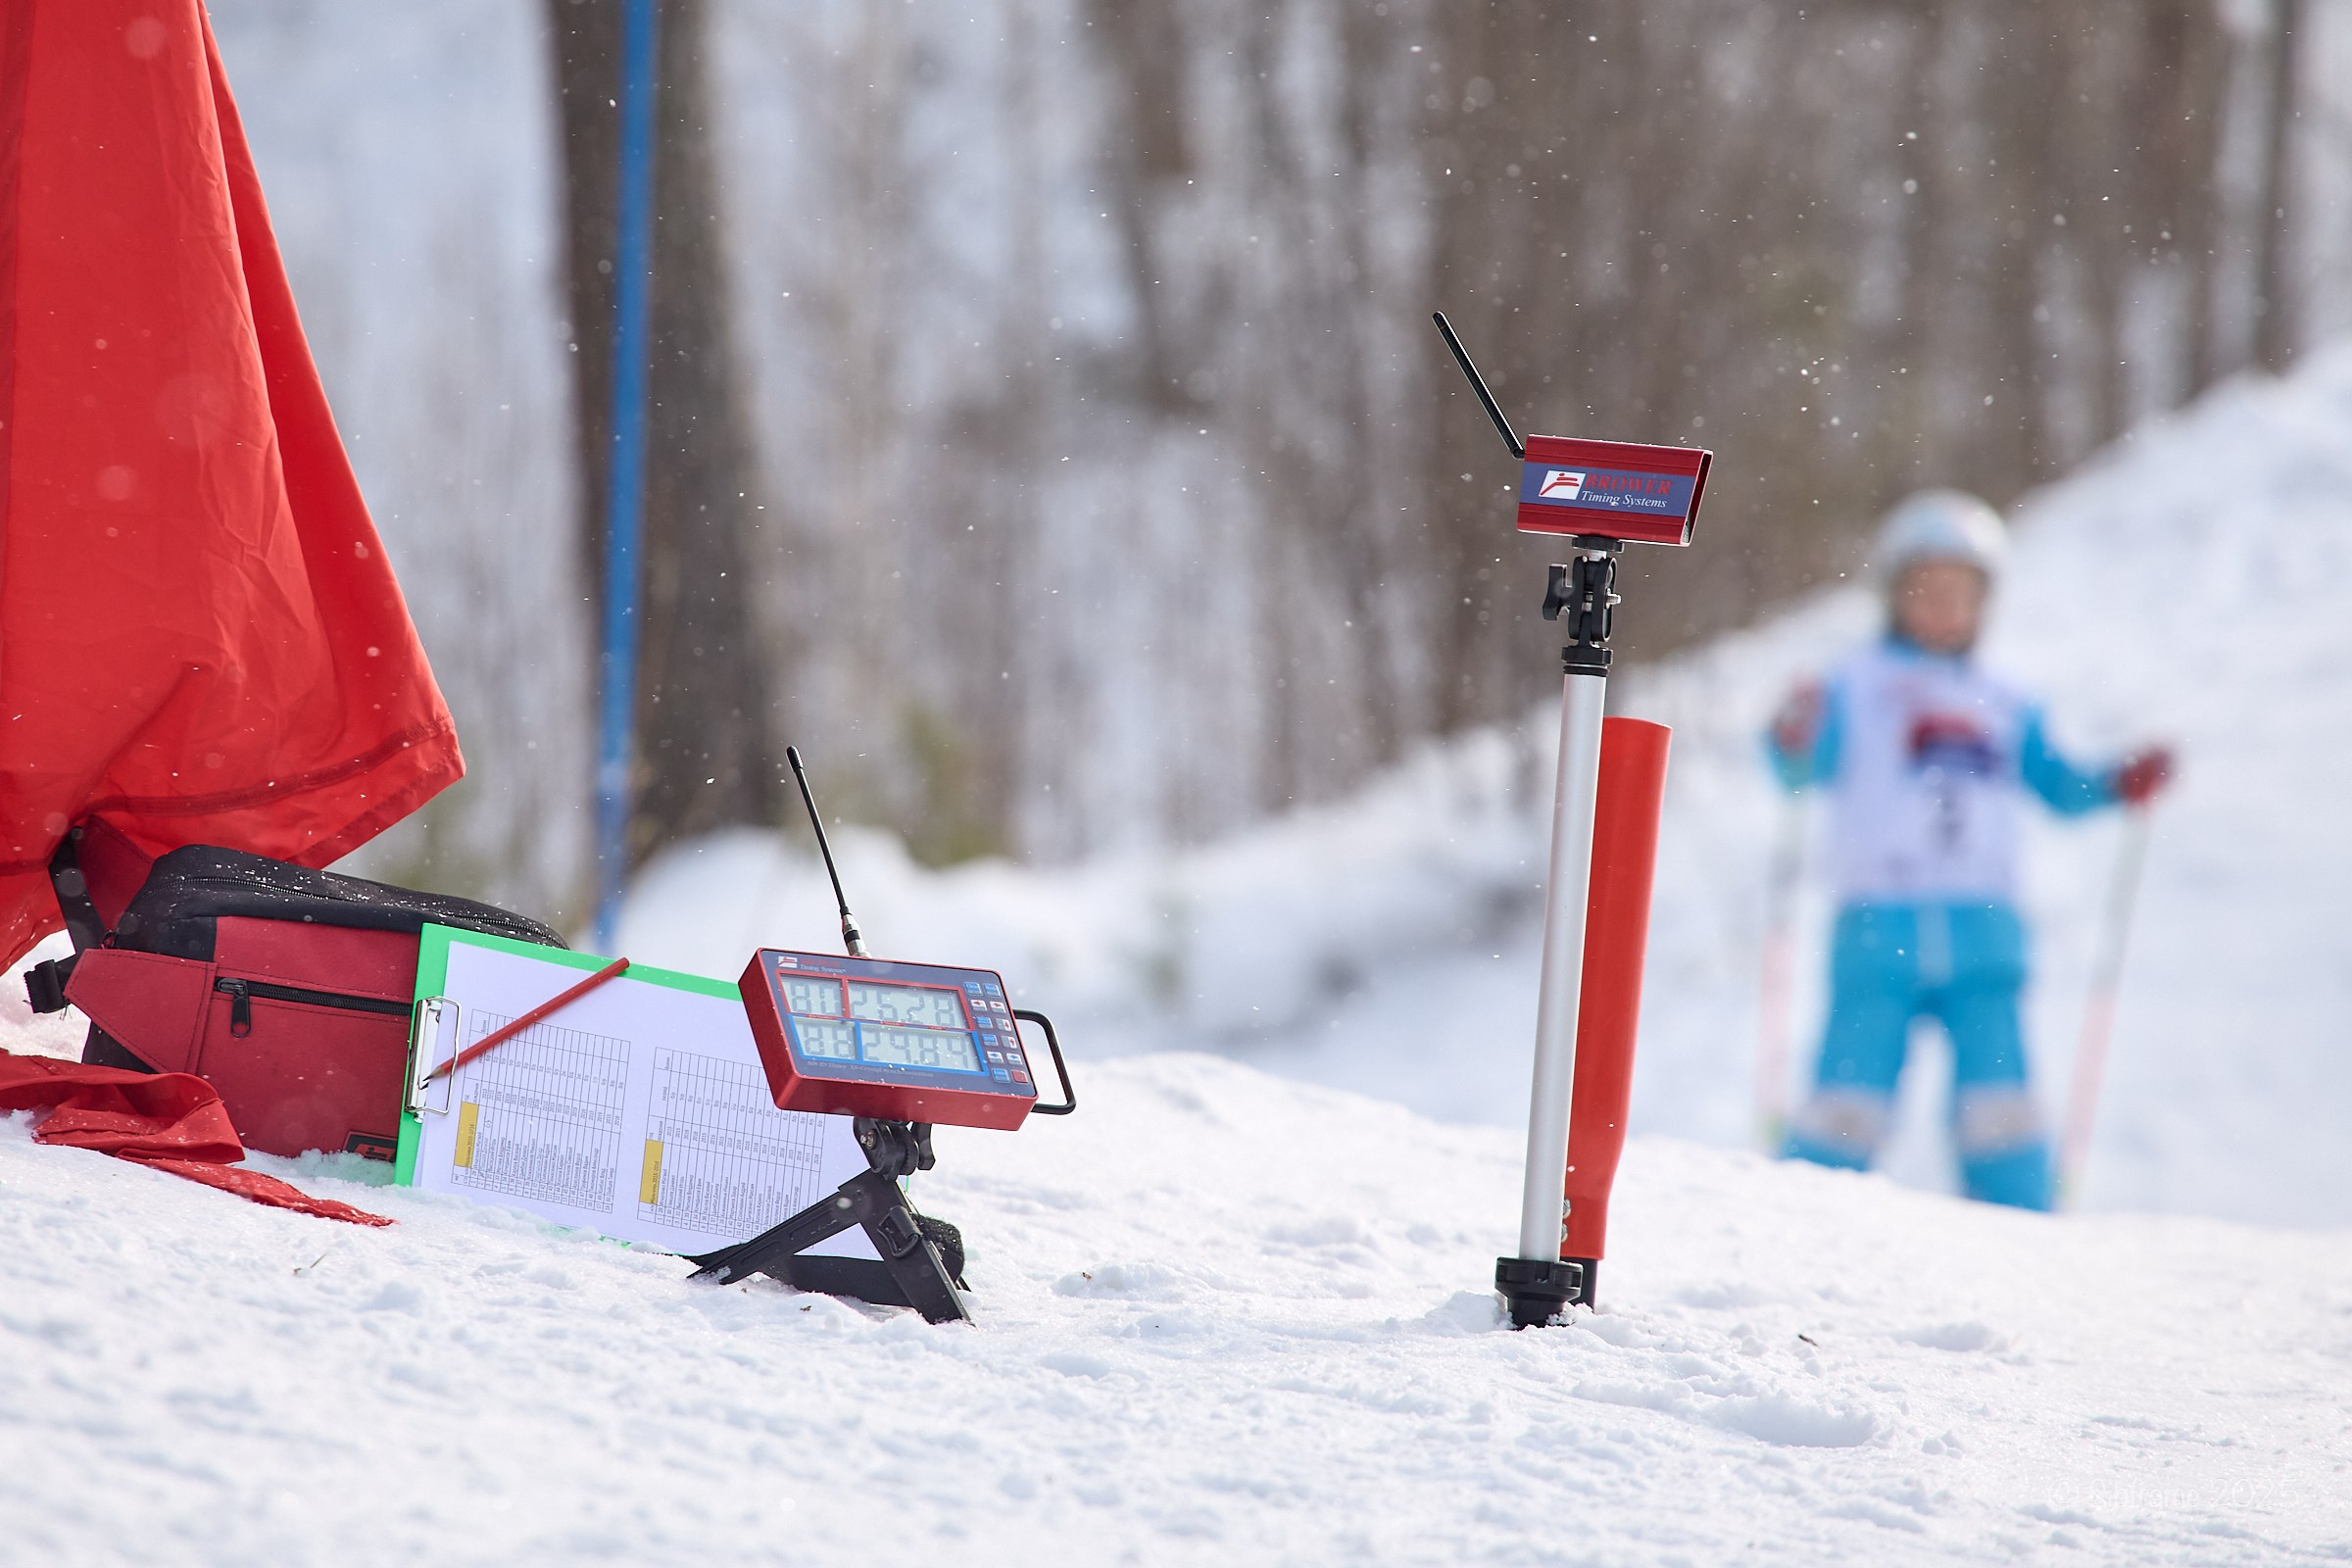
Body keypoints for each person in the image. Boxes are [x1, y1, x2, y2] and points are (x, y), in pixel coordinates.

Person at [1765, 490, 2172, 1209]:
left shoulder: (2009, 697)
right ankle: (1807, 1207)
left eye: (1961, 593)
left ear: (1985, 602)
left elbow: (2057, 784)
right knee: (1850, 1089)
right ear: (1894, 595)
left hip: (1983, 927)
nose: (1943, 607)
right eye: (1926, 590)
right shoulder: (1854, 685)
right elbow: (1804, 766)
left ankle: (2017, 1225)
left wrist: (2115, 783)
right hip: (1877, 922)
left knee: (1998, 1102)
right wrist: (1791, 734)